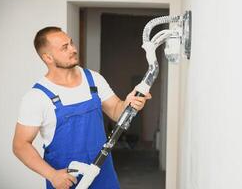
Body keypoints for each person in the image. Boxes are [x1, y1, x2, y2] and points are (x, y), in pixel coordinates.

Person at [12, 26, 152, 189]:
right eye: (65, 47)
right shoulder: (37, 97)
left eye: (71, 43)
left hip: (103, 176)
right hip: (66, 181)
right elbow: (20, 145)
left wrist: (128, 103)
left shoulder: (93, 79)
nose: (73, 49)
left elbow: (116, 111)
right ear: (48, 57)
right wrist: (52, 175)